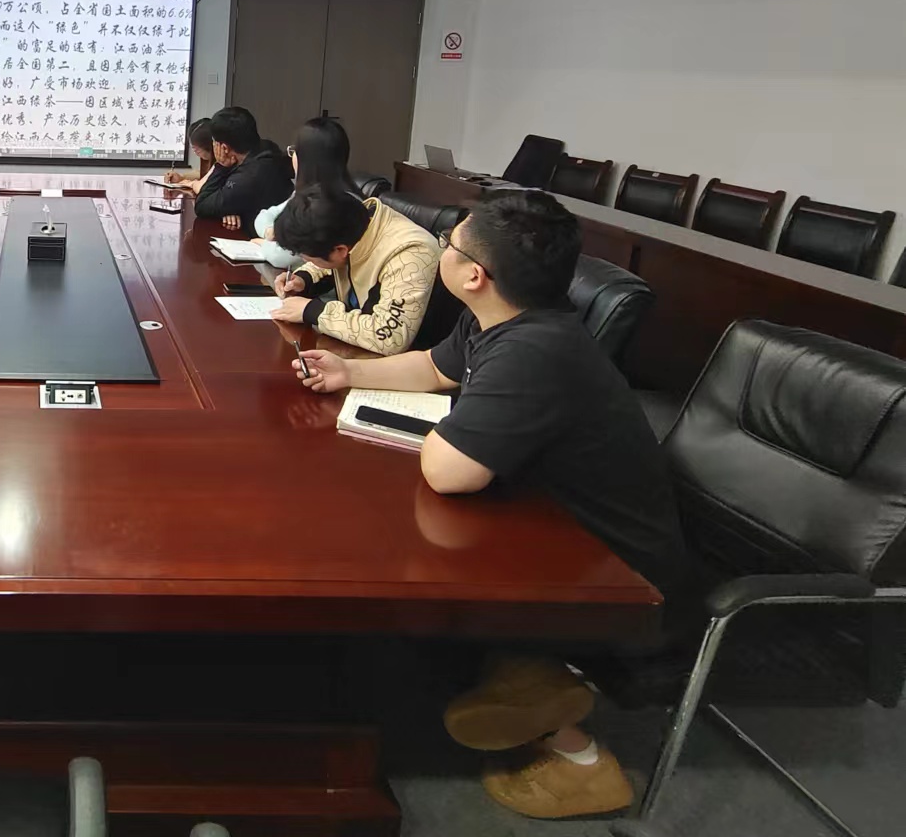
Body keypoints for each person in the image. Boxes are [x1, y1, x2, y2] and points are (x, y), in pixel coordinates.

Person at [291, 189, 695, 820]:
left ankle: (573, 745)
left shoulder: (535, 351)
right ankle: (501, 674)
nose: (441, 252)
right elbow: (433, 370)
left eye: (449, 245)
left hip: (612, 572)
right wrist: (350, 373)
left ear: (474, 275)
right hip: (545, 522)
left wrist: (446, 431)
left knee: (393, 548)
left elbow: (448, 471)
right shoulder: (499, 318)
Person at [267, 185, 441, 355]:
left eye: (307, 258)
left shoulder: (409, 253)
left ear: (340, 250)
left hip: (413, 360)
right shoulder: (353, 224)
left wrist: (313, 311)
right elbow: (333, 259)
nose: (305, 261)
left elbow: (390, 339)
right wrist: (303, 278)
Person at [253, 116, 360, 269]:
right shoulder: (306, 194)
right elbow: (264, 215)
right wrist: (269, 232)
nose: (292, 157)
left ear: (308, 159)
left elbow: (283, 257)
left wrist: (262, 243)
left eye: (294, 151)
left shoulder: (334, 206)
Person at [192, 106, 294, 229]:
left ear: (224, 148)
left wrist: (221, 166)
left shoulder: (249, 177)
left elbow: (202, 205)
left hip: (261, 237)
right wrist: (227, 208)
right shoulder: (267, 147)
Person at [163, 117, 216, 191]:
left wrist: (191, 184)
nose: (196, 154)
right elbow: (202, 173)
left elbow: (209, 181)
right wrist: (181, 177)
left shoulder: (222, 162)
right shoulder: (207, 158)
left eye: (197, 150)